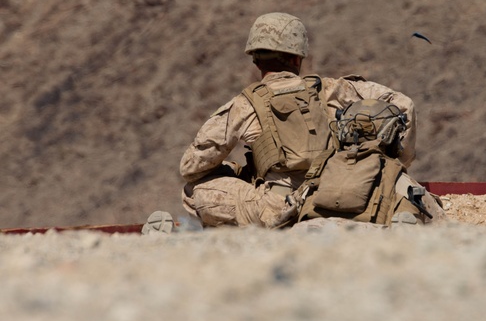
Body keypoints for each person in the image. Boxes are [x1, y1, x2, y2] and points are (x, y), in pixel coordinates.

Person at [143, 12, 443, 233]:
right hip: (340, 191)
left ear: (255, 59)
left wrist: (233, 171)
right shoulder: (333, 90)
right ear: (298, 58)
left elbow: (191, 167)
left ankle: (273, 226)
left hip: (278, 206)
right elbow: (404, 104)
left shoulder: (243, 104)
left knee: (193, 189)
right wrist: (397, 164)